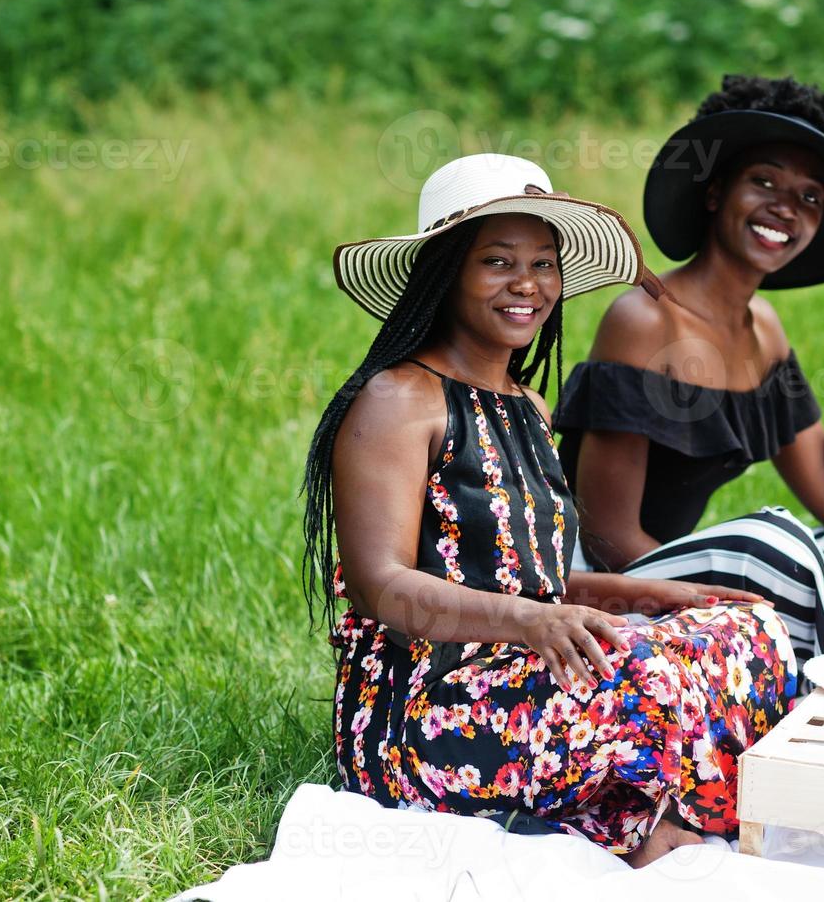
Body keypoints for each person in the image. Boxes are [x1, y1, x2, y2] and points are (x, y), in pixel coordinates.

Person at [301, 153, 798, 866]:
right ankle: (636, 818)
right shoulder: (397, 400)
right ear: (445, 274)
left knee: (741, 630)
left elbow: (527, 580)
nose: (526, 286)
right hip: (424, 710)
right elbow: (381, 587)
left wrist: (654, 595)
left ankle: (630, 812)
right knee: (649, 680)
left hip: (521, 667)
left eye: (543, 264)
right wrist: (532, 623)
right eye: (496, 262)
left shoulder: (529, 406)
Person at [554, 75, 824, 663]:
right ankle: (806, 658)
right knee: (771, 547)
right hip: (608, 591)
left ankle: (793, 658)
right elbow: (607, 539)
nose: (786, 208)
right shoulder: (645, 320)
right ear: (714, 194)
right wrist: (753, 601)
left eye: (810, 197)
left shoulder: (765, 330)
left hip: (695, 578)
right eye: (764, 182)